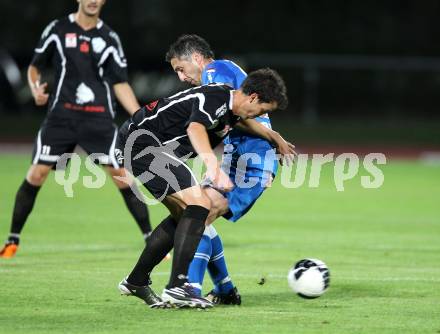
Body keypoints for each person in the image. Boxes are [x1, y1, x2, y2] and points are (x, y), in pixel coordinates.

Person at [117, 68, 292, 309]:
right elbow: (195, 128)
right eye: (263, 110)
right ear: (252, 98)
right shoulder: (216, 99)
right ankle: (177, 287)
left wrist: (276, 138)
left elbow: (245, 123)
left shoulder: (231, 106)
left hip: (142, 145)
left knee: (185, 216)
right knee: (200, 204)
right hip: (144, 145)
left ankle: (136, 281)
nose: (261, 115)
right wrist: (213, 166)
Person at [0, 0, 151, 259]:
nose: (92, 1)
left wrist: (139, 115)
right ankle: (12, 241)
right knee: (37, 174)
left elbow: (120, 83)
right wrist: (35, 88)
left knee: (122, 175)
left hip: (99, 119)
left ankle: (151, 237)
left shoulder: (109, 38)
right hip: (62, 116)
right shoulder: (58, 29)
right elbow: (35, 66)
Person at [165, 34, 290, 304]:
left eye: (181, 69)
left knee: (199, 214)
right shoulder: (223, 71)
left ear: (196, 58)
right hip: (242, 156)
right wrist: (275, 136)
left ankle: (190, 290)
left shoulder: (214, 71)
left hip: (251, 159)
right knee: (197, 214)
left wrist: (273, 137)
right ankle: (224, 290)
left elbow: (235, 115)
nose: (181, 77)